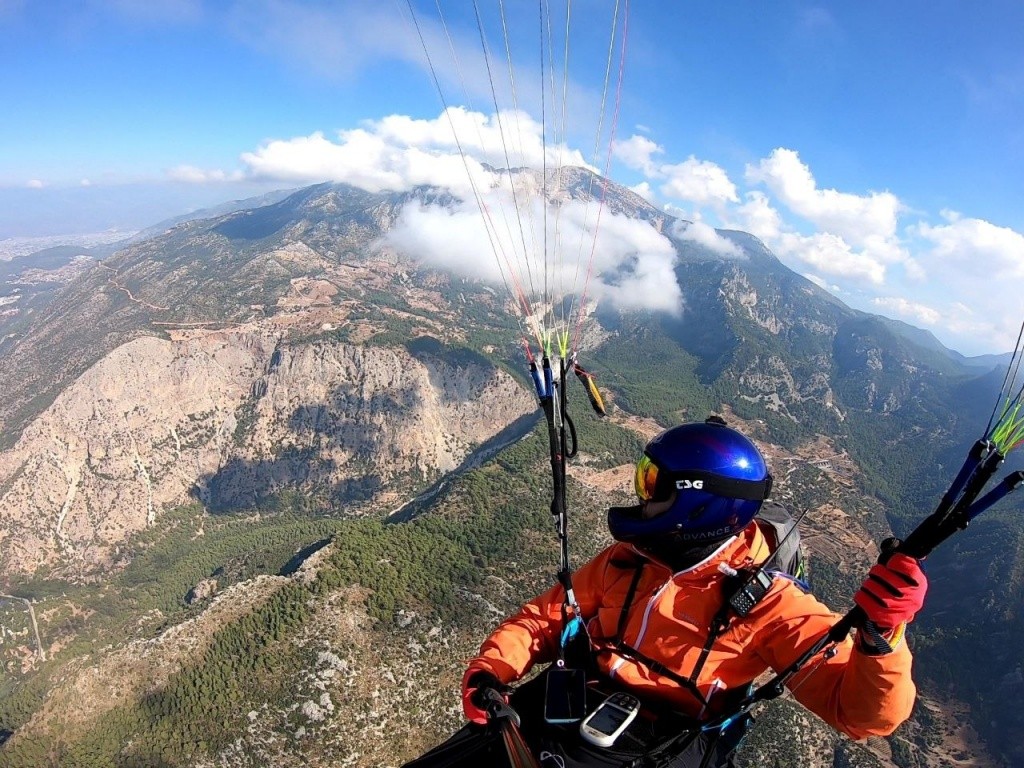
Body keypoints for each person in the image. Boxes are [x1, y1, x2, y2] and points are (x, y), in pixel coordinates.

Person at [413, 418, 927, 768]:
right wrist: (493, 670)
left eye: (653, 483)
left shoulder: (773, 605)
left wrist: (881, 636)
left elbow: (862, 715)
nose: (641, 492)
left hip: (667, 740)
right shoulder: (630, 559)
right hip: (577, 701)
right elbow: (545, 619)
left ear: (696, 506)